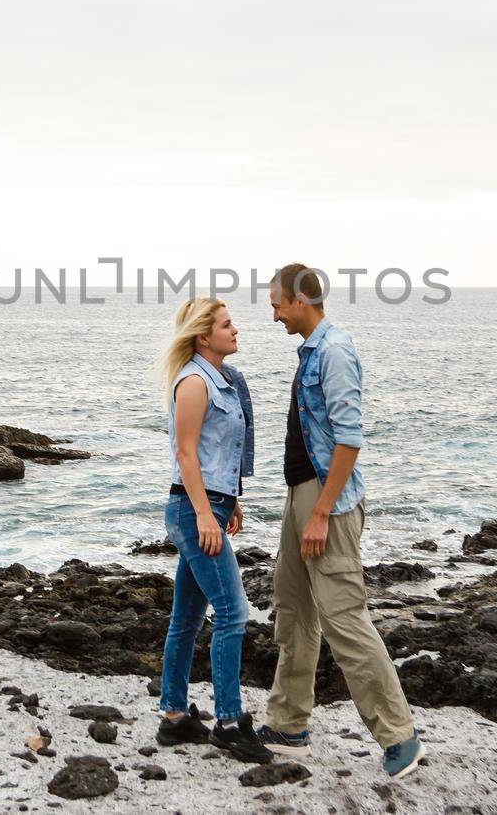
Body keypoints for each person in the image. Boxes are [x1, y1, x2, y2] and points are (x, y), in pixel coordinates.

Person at [255, 263, 426, 780]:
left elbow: (349, 439)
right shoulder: (311, 350)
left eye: (277, 302)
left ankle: (400, 736)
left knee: (344, 617)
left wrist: (322, 513)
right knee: (293, 609)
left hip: (325, 501)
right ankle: (289, 725)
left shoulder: (333, 351)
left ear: (300, 300)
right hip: (299, 496)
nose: (273, 312)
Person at [154, 296, 274, 764]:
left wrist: (229, 501)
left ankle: (175, 717)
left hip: (210, 504)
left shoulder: (223, 381)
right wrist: (206, 515)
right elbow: (186, 455)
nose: (236, 330)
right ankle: (228, 723)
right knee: (232, 613)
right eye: (227, 325)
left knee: (186, 618)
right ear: (204, 336)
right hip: (192, 509)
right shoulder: (194, 383)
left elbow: (214, 453)